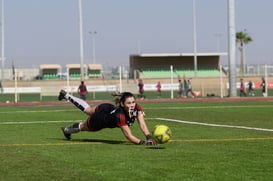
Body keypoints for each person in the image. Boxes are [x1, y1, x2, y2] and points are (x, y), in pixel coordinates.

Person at [58, 90, 156, 145]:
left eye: (133, 102)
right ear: (122, 104)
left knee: (88, 110)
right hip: (100, 119)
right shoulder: (120, 116)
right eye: (129, 103)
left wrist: (149, 137)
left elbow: (142, 124)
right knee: (82, 126)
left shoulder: (137, 108)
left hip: (107, 107)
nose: (132, 105)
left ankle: (66, 95)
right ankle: (66, 130)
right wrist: (144, 143)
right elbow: (129, 136)